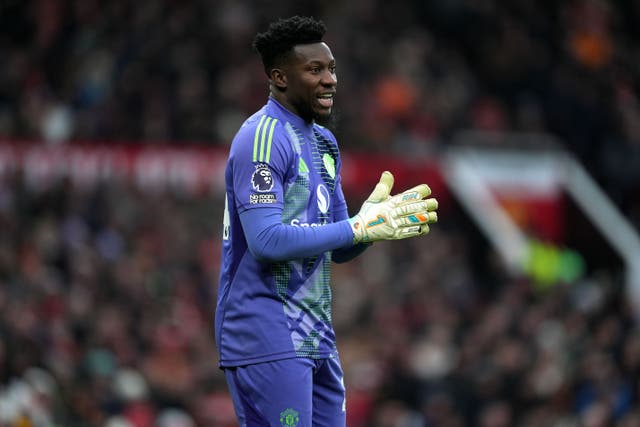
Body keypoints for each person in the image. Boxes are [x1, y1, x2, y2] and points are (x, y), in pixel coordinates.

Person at [215, 15, 439, 427]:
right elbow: (265, 240)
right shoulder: (261, 137)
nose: (329, 79)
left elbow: (339, 247)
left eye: (331, 69)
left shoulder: (324, 143)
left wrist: (370, 225)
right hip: (266, 332)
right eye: (314, 69)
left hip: (316, 333)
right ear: (280, 77)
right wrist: (356, 226)